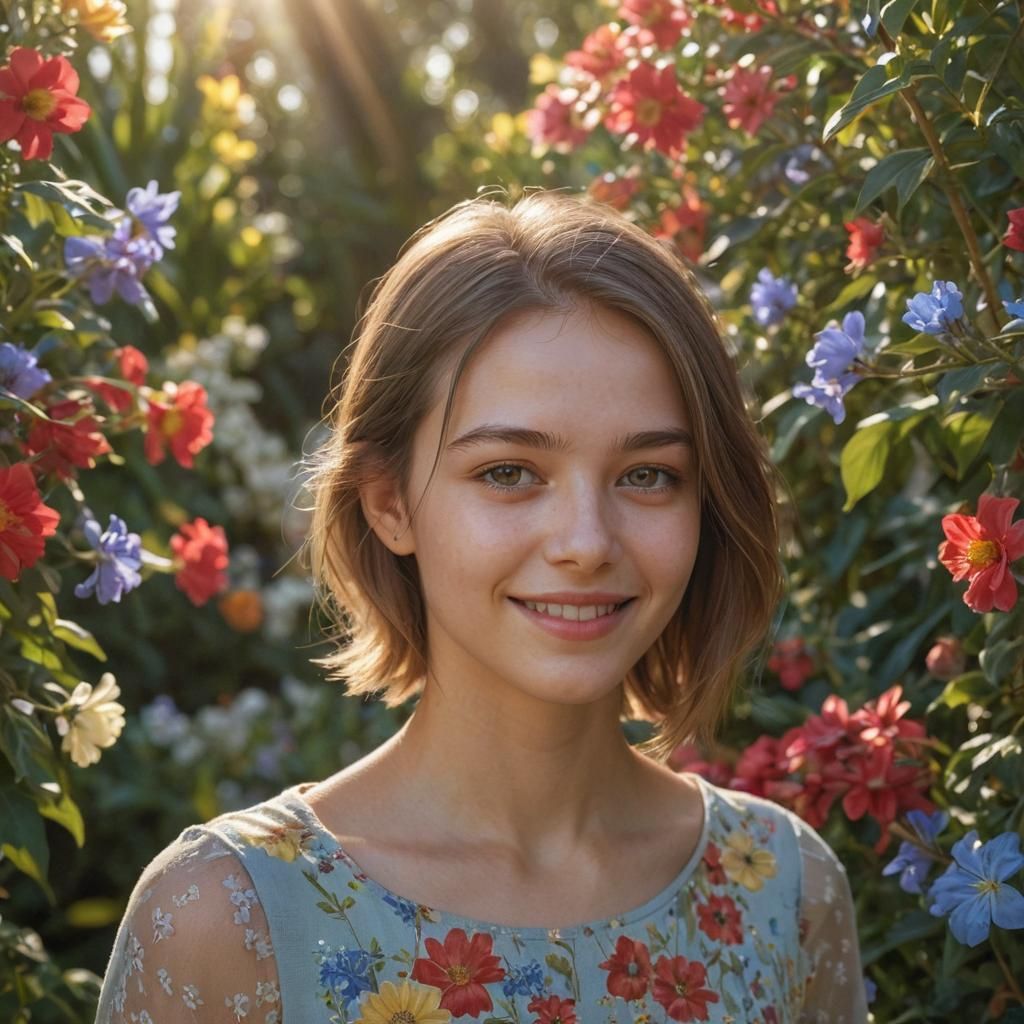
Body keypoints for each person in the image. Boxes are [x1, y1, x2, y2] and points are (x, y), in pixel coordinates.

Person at [95, 188, 869, 1024]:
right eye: (509, 472)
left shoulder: (783, 893)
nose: (587, 542)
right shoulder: (227, 918)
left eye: (648, 475)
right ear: (389, 503)